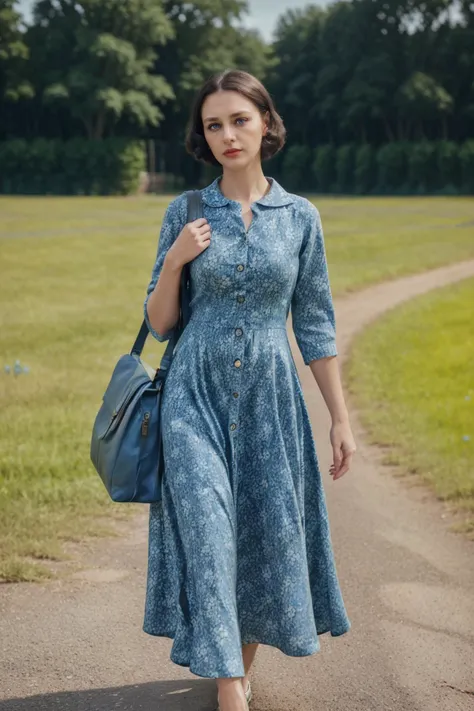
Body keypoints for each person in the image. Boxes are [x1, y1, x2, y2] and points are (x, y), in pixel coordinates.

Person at [142, 68, 356, 711]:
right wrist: (178, 258)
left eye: (239, 119)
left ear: (266, 123)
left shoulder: (300, 218)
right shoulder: (185, 212)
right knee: (207, 531)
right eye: (214, 124)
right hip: (193, 398)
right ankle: (232, 691)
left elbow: (315, 321)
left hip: (270, 399)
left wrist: (340, 419)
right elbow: (158, 324)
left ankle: (235, 665)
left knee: (260, 537)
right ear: (202, 137)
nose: (227, 135)